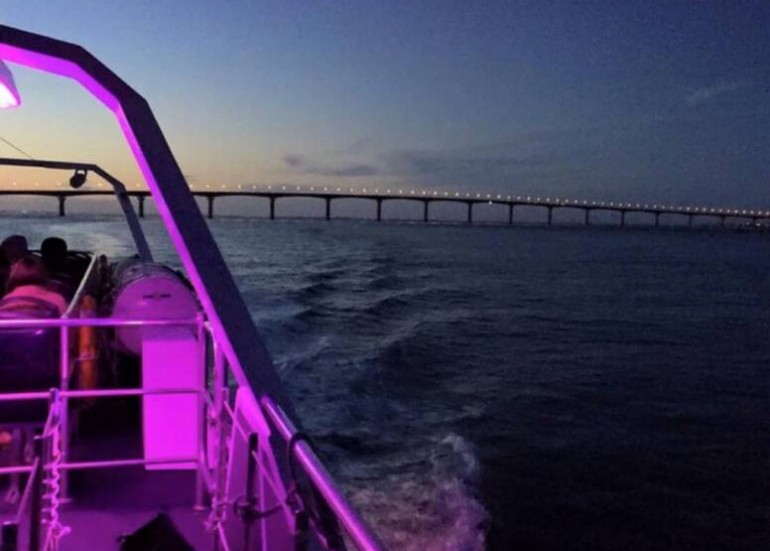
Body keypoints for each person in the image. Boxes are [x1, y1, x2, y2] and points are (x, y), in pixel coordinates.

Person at [0, 255, 68, 316]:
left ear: (13, 276)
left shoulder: (5, 302)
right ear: (44, 274)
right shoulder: (57, 300)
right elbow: (71, 328)